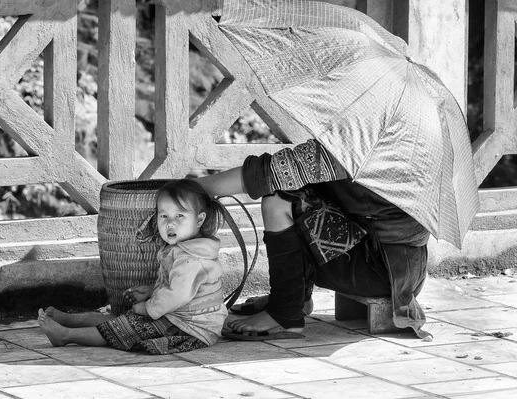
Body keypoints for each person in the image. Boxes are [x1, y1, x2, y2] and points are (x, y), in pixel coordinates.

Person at [196, 138, 431, 340]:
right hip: (407, 269)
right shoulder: (403, 143)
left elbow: (263, 174)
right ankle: (298, 298)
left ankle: (285, 313)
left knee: (280, 198)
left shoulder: (357, 144)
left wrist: (190, 188)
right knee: (303, 189)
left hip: (378, 271)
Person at [38, 179, 229, 354]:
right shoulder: (182, 250)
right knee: (122, 319)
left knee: (126, 328)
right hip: (178, 316)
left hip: (192, 327)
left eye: (179, 215)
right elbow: (175, 286)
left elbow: (176, 295)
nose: (170, 223)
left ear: (200, 220)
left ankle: (66, 335)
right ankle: (70, 320)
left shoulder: (192, 259)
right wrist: (151, 291)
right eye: (164, 216)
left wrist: (148, 307)